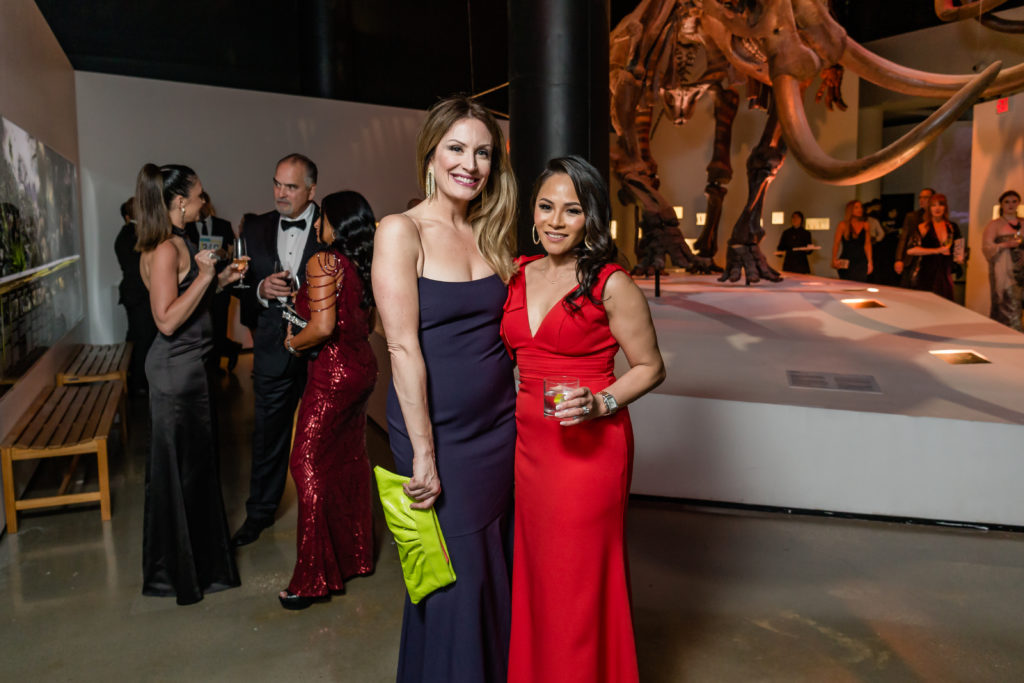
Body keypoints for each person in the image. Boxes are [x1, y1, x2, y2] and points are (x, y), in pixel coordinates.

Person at [501, 156, 665, 683]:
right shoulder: (518, 272)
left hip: (589, 453)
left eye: (571, 211)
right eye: (546, 207)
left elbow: (650, 367)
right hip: (531, 447)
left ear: (591, 217)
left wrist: (602, 404)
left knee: (576, 580)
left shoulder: (610, 283)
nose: (555, 221)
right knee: (538, 575)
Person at [372, 95, 518, 682]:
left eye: (482, 152)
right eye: (457, 148)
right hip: (436, 438)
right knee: (449, 579)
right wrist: (424, 451)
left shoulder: (491, 231)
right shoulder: (400, 231)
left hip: (499, 431)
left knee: (491, 568)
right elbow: (402, 346)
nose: (470, 163)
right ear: (430, 155)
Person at [134, 163, 243, 605]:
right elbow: (166, 319)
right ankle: (182, 573)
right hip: (175, 372)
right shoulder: (165, 248)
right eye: (197, 195)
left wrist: (218, 281)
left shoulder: (177, 243)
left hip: (189, 369)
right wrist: (203, 277)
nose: (203, 201)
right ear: (179, 202)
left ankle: (196, 564)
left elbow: (186, 303)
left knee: (193, 472)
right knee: (182, 475)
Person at [277, 191, 379, 610]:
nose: (317, 225)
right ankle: (355, 555)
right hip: (362, 371)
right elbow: (367, 321)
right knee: (349, 461)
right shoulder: (363, 263)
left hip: (333, 375)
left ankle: (313, 578)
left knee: (306, 465)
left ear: (330, 221)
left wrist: (292, 343)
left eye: (320, 218)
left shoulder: (324, 262)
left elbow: (320, 328)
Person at [232, 153, 321, 547]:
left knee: (321, 439)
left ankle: (320, 515)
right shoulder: (254, 226)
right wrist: (260, 291)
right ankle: (259, 513)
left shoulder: (328, 225)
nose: (281, 194)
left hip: (322, 349)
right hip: (271, 347)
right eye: (277, 184)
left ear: (311, 190)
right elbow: (239, 285)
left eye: (291, 187)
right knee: (268, 436)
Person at [186, 191, 241, 373]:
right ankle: (213, 362)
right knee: (203, 328)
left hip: (221, 284)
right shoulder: (188, 227)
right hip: (198, 285)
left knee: (219, 325)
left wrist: (224, 253)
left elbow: (233, 252)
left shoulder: (223, 225)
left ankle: (216, 364)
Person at [113, 197, 158, 395]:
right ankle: (138, 383)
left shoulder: (129, 234)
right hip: (138, 295)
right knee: (142, 339)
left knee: (137, 337)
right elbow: (137, 268)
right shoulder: (132, 235)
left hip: (135, 294)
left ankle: (134, 380)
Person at [902, 192, 963, 300]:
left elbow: (959, 247)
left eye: (940, 204)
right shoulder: (923, 227)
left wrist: (960, 257)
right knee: (927, 305)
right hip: (927, 272)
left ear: (945, 207)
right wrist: (936, 250)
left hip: (945, 273)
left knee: (946, 304)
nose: (937, 208)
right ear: (929, 208)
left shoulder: (952, 227)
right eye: (933, 205)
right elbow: (910, 250)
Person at [982, 190, 1022, 329]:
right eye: (1007, 202)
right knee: (1008, 303)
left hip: (1022, 268)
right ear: (1001, 204)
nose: (1011, 205)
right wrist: (1004, 245)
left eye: (1014, 201)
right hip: (1005, 271)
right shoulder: (995, 224)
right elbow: (987, 247)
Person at [895, 187, 934, 278]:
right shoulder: (912, 216)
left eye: (925, 197)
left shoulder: (936, 218)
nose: (922, 200)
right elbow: (903, 238)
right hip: (912, 258)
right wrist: (898, 259)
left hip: (930, 258)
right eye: (920, 198)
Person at [832, 199, 873, 282]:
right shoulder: (843, 225)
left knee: (860, 285)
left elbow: (867, 244)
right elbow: (836, 243)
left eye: (860, 207)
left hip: (861, 261)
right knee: (846, 285)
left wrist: (870, 262)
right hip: (846, 260)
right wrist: (834, 259)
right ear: (850, 210)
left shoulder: (865, 225)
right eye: (856, 207)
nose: (860, 210)